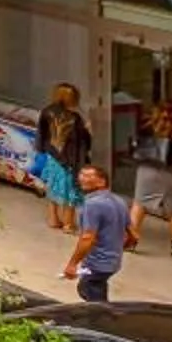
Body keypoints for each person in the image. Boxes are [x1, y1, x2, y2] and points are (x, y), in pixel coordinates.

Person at [64, 165, 133, 302]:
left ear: (102, 181)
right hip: (113, 262)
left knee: (90, 292)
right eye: (81, 175)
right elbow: (133, 233)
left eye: (88, 176)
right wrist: (119, 248)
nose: (82, 178)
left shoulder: (92, 205)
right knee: (94, 288)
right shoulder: (120, 201)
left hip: (97, 263)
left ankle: (103, 320)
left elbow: (87, 238)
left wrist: (72, 264)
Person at [133, 98, 172, 258]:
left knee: (140, 204)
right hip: (171, 171)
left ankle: (132, 239)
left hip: (148, 170)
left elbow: (136, 145)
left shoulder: (146, 126)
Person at [35, 84, 91, 231]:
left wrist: (41, 150)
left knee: (53, 188)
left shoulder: (46, 112)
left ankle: (53, 219)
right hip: (70, 161)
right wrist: (87, 130)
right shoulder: (75, 118)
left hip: (52, 158)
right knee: (70, 191)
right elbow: (81, 142)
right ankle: (68, 223)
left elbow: (41, 135)